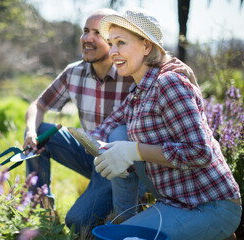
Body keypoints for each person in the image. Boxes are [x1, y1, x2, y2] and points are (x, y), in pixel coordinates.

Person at [23, 8, 197, 234]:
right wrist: (30, 131)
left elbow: (162, 65)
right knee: (42, 131)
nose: (88, 38)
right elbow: (38, 105)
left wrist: (180, 68)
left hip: (124, 159)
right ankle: (41, 211)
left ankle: (128, 210)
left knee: (78, 221)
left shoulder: (131, 69)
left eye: (98, 34)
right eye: (86, 31)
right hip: (90, 149)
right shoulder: (73, 72)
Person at [91, 8, 242, 239]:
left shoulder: (168, 83)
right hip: (175, 202)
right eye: (111, 43)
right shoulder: (138, 90)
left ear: (146, 46)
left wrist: (134, 151)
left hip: (211, 205)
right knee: (118, 133)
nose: (112, 52)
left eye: (121, 42)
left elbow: (200, 152)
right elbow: (111, 123)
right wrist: (93, 142)